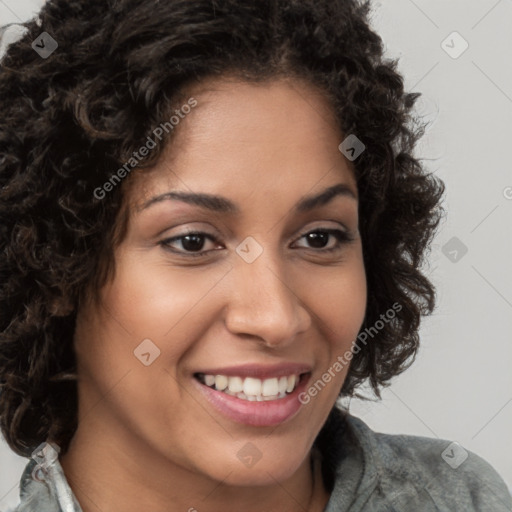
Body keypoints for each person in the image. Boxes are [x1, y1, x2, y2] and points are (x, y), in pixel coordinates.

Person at [0, 0, 510, 511]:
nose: (275, 318)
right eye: (193, 241)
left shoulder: (463, 499)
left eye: (319, 238)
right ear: (56, 269)